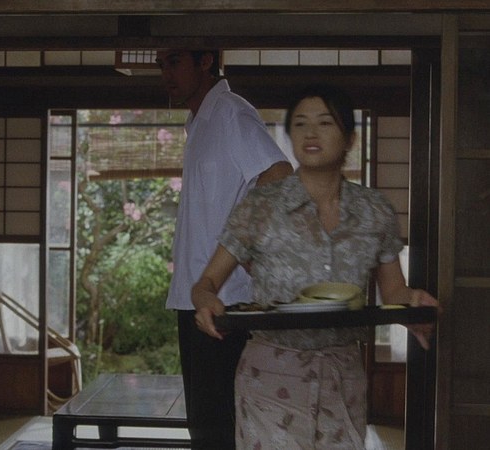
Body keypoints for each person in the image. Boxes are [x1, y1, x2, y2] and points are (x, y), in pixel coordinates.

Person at [191, 84, 441, 449]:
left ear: (350, 138)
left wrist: (413, 304)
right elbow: (206, 282)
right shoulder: (259, 206)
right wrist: (206, 301)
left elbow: (394, 291)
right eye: (300, 123)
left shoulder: (374, 211)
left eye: (324, 122)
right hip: (270, 376)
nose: (310, 133)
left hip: (342, 378)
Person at [156, 48, 293, 449]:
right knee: (205, 427)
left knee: (221, 429)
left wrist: (247, 245)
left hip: (226, 300)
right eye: (161, 64)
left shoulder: (230, 111)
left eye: (174, 61)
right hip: (196, 296)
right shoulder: (198, 121)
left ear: (205, 61)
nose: (166, 73)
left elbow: (278, 174)